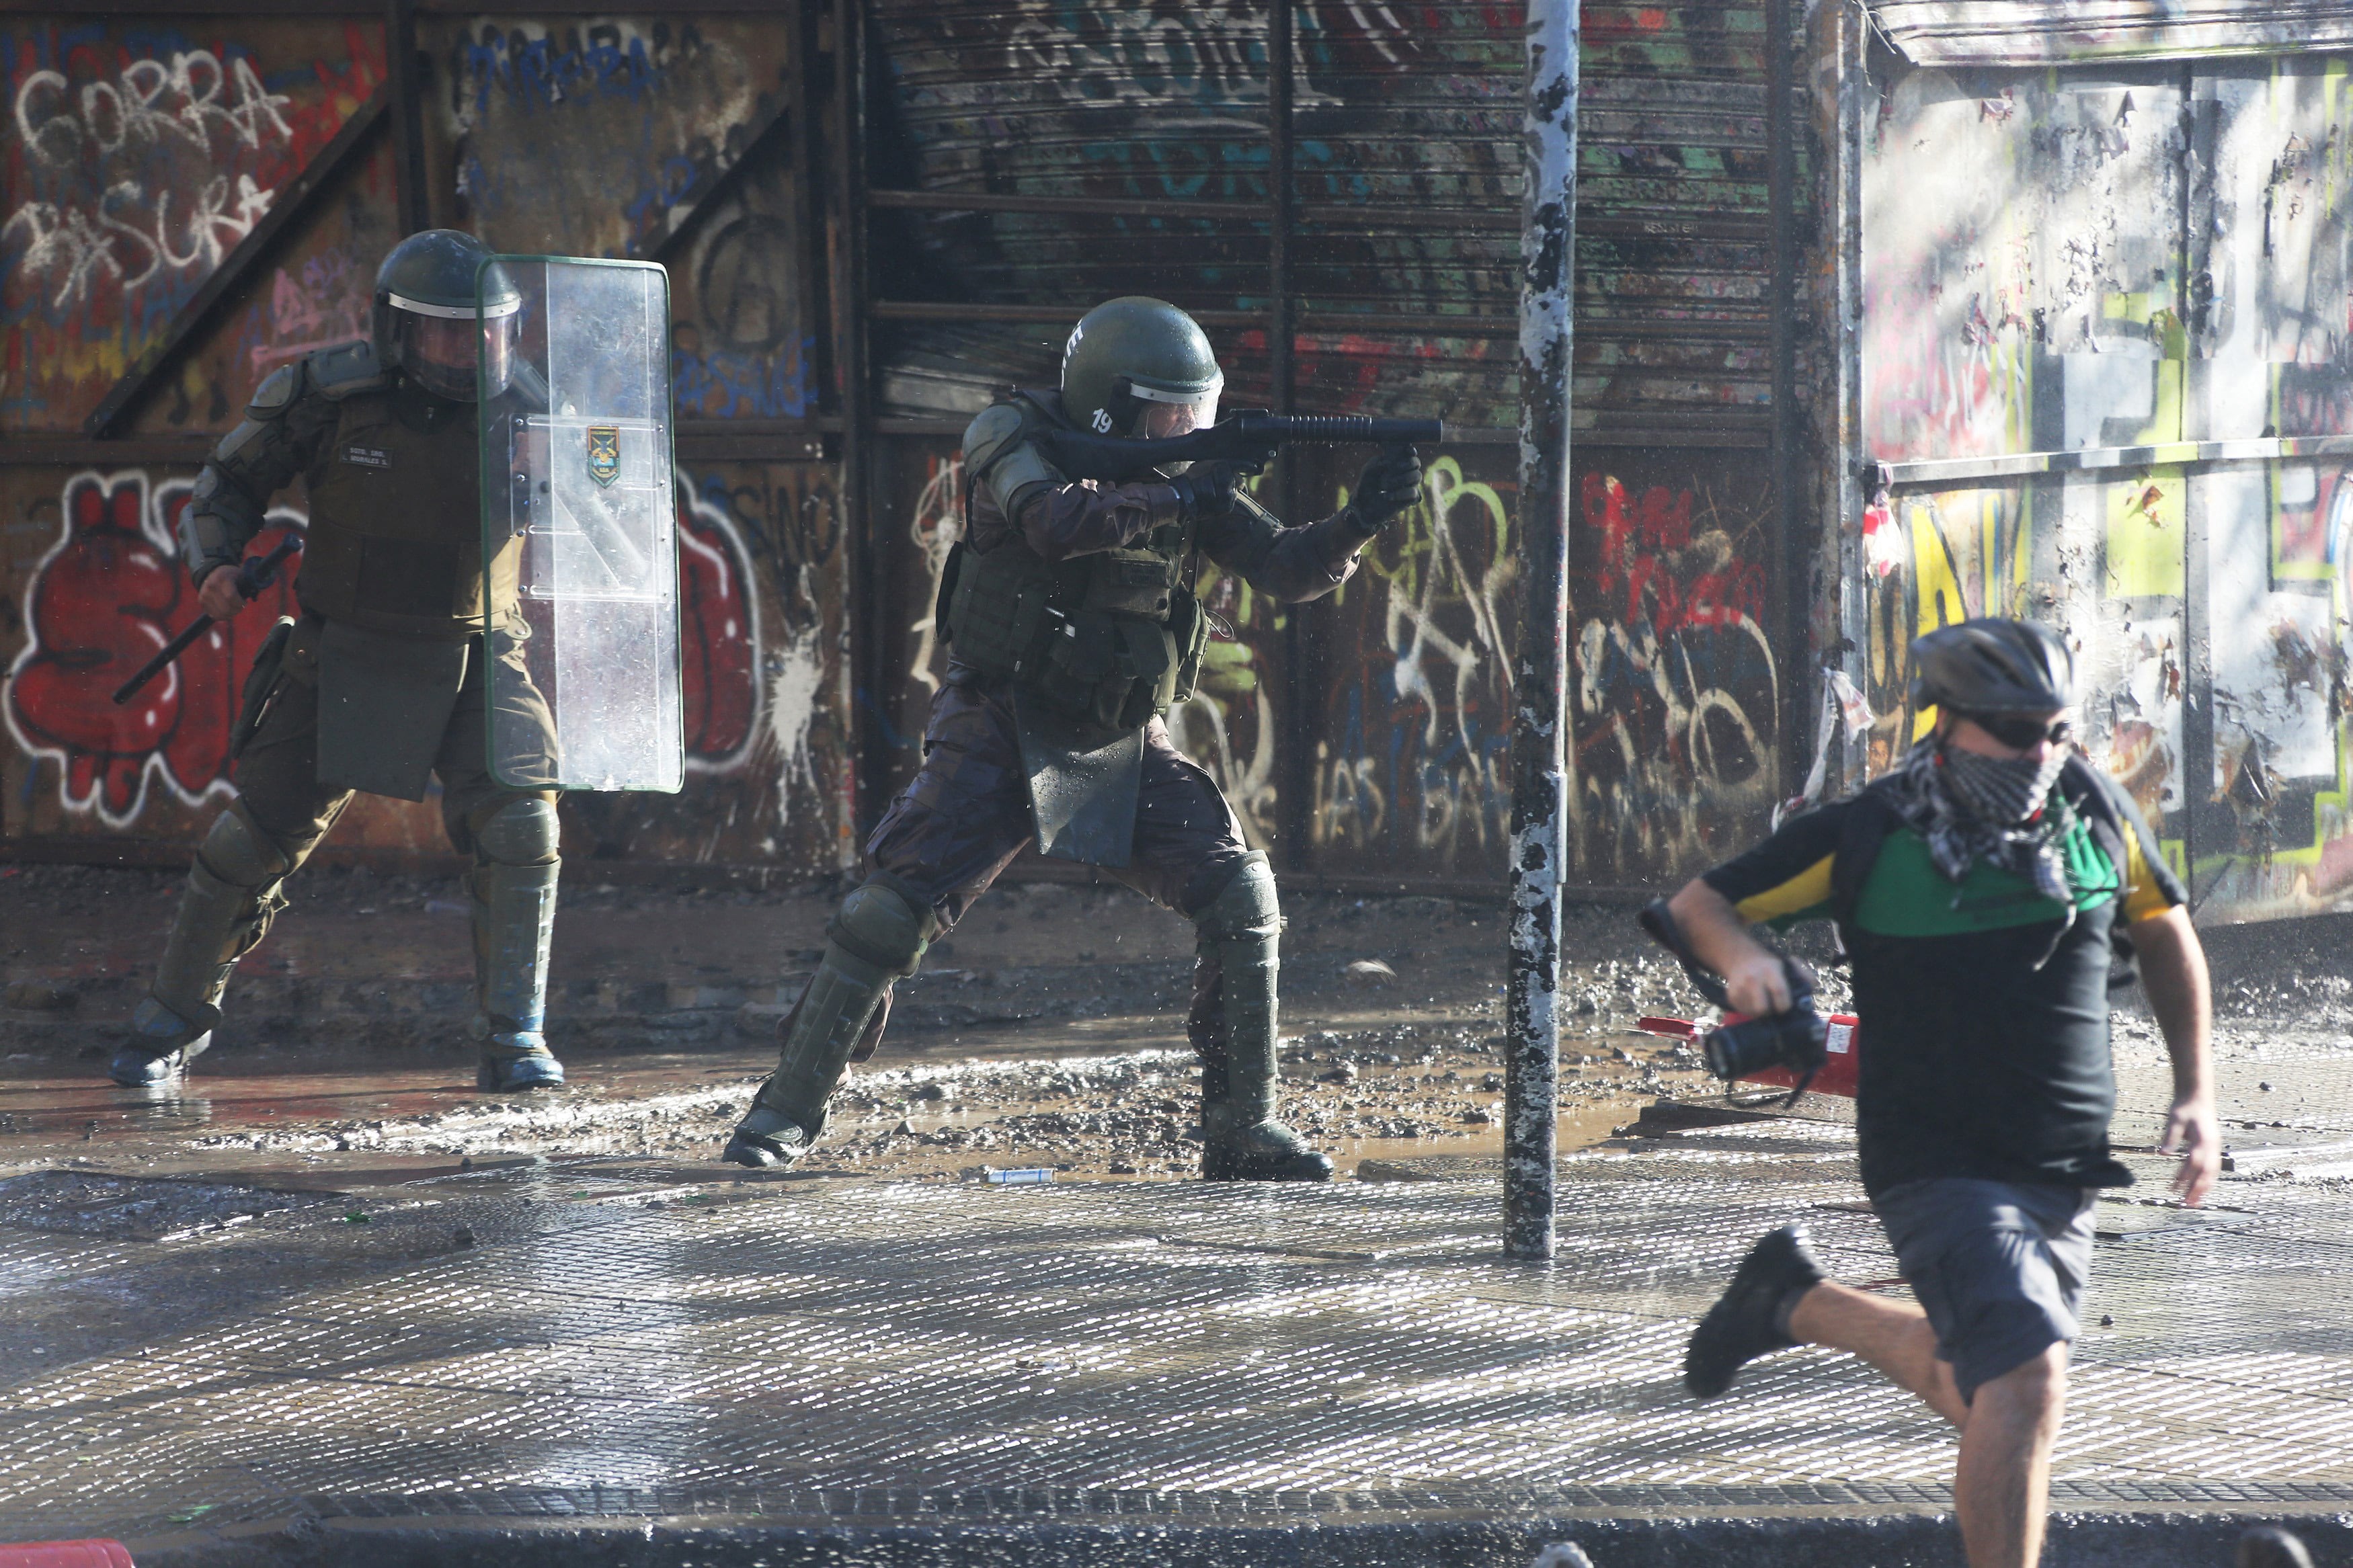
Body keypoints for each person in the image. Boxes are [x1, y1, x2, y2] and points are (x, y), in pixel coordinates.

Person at [721, 295, 1425, 1178]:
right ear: (1110, 408)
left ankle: (1244, 1129)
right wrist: (1185, 487)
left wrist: (1357, 522)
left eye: (1198, 413)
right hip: (998, 724)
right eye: (1172, 414)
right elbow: (1055, 523)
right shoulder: (1007, 437)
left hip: (1119, 739)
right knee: (885, 917)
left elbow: (1282, 566)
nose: (1189, 429)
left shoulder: (1185, 479)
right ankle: (780, 1118)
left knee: (1242, 895)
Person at [1665, 618, 2219, 1568]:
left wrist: (2197, 1091)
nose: (2042, 752)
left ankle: (1795, 1301)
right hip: (1937, 1160)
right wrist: (1749, 958)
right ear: (1949, 722)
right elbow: (1699, 905)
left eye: (2057, 729)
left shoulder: (2085, 807)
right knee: (2029, 1378)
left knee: (1988, 1388)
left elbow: (2166, 936)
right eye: (2017, 731)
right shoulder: (1871, 831)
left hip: (2061, 1169)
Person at [114, 230, 569, 1095]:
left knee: (522, 827)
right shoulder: (328, 396)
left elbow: (608, 518)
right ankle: (170, 1020)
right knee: (248, 843)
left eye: (488, 331)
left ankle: (515, 1039)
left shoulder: (533, 411)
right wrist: (214, 562)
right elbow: (227, 480)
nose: (471, 350)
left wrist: (553, 480)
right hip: (344, 653)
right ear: (398, 332)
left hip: (480, 647)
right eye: (445, 331)